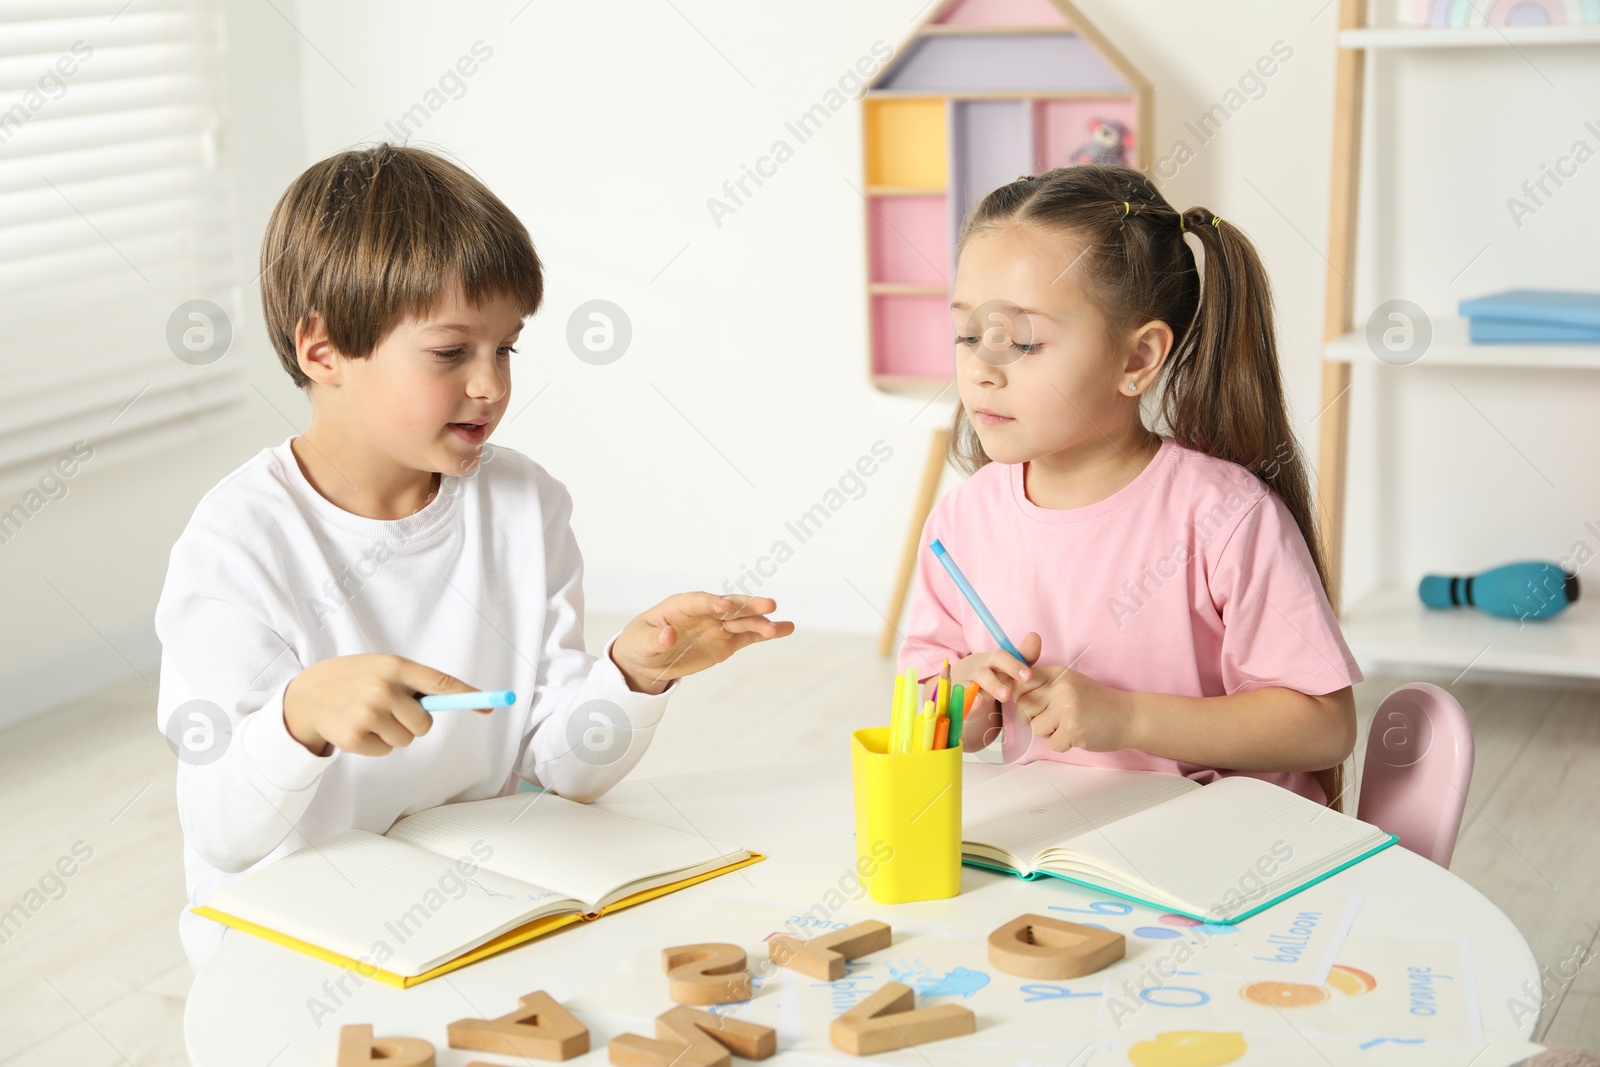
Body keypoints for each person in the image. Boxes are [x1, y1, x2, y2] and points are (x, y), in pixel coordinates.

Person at [155, 144, 792, 969]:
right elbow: (222, 830)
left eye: (507, 348)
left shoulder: (527, 504)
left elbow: (558, 767)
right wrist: (298, 717)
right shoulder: (236, 542)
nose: (491, 385)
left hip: (476, 921)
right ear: (322, 351)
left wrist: (632, 675)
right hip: (300, 943)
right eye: (452, 352)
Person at [900, 164, 1359, 809]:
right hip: (1061, 845)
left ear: (1138, 358)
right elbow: (925, 706)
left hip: (1223, 854)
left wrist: (1129, 718)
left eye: (1024, 341)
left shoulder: (1225, 515)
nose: (982, 367)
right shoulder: (962, 523)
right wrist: (963, 701)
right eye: (969, 333)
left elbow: (1325, 726)